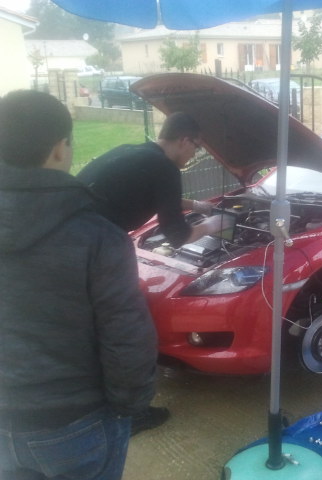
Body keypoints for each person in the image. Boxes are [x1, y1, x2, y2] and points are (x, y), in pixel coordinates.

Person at [0, 90, 158, 480]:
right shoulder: (99, 236)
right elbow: (125, 337)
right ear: (59, 148)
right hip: (76, 422)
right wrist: (130, 406)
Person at [77, 111, 231, 247]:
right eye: (197, 147)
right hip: (89, 242)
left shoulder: (128, 151)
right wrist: (212, 225)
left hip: (70, 228)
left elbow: (157, 197)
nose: (194, 154)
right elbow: (179, 236)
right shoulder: (165, 168)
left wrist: (195, 205)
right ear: (184, 141)